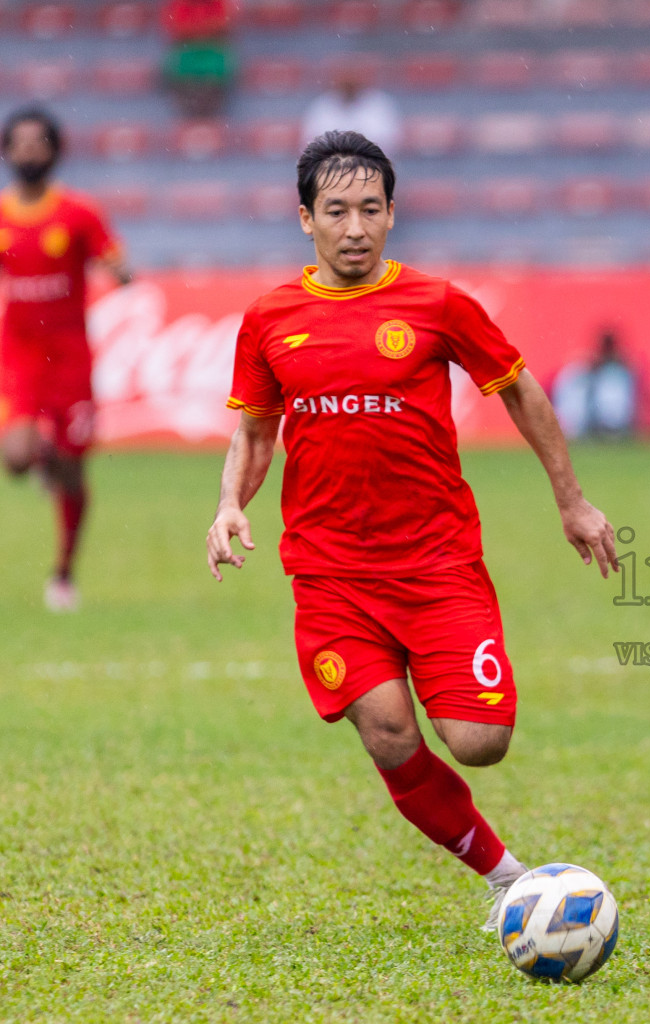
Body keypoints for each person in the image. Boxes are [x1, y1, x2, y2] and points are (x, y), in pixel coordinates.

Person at [205, 131, 617, 926]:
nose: (354, 228)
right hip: (330, 576)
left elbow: (522, 392)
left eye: (370, 209)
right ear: (305, 219)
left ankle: (500, 848)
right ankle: (509, 878)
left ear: (392, 214)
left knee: (479, 740)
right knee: (391, 733)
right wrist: (231, 504)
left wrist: (572, 499)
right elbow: (256, 430)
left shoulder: (439, 304)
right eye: (336, 211)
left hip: (437, 566)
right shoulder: (268, 319)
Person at [0, 108, 133, 612]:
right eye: (20, 143)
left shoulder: (79, 212)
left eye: (39, 143)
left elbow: (115, 261)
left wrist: (120, 271)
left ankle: (63, 573)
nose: (29, 151)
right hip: (19, 356)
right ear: (8, 151)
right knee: (14, 459)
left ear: (54, 151)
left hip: (70, 357)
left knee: (72, 470)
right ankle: (39, 460)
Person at [302, 66, 403, 155]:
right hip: (332, 164)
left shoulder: (379, 102)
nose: (348, 88)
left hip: (372, 163)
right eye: (344, 84)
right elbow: (313, 140)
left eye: (351, 84)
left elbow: (388, 138)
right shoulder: (323, 105)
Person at [161, 0, 236, 119]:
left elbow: (227, 24)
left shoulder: (218, 3)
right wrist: (206, 29)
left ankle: (210, 110)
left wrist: (196, 30)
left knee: (221, 64)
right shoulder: (181, 4)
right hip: (188, 52)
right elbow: (174, 27)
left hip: (211, 51)